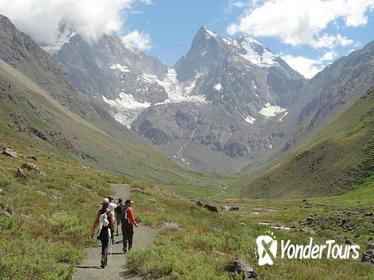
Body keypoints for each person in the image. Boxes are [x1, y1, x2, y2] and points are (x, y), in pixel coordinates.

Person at [91, 198, 115, 268]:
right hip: (107, 230)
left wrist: (93, 232)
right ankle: (103, 258)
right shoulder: (110, 212)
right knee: (106, 245)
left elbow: (96, 222)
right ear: (108, 205)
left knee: (103, 245)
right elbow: (112, 223)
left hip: (100, 231)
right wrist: (112, 230)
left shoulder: (100, 211)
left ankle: (104, 261)